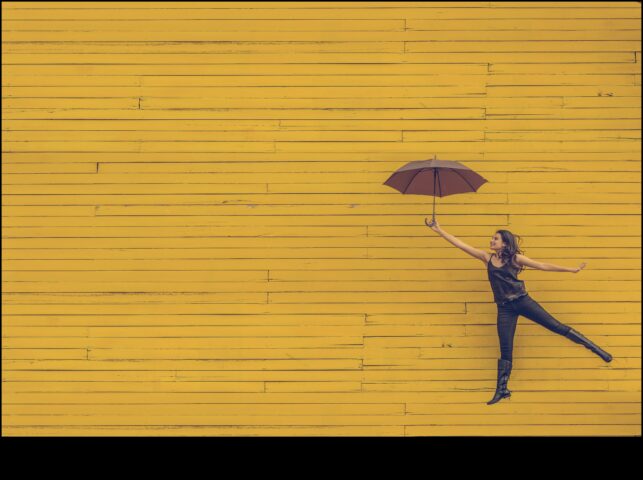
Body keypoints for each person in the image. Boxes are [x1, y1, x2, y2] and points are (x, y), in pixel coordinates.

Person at [424, 217, 613, 405]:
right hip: (504, 308)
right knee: (505, 348)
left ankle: (595, 348)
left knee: (556, 326)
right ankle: (502, 389)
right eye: (492, 238)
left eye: (495, 238)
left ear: (505, 243)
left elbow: (542, 265)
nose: (491, 241)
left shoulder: (516, 259)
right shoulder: (486, 258)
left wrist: (571, 270)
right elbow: (461, 245)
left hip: (523, 301)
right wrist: (439, 230)